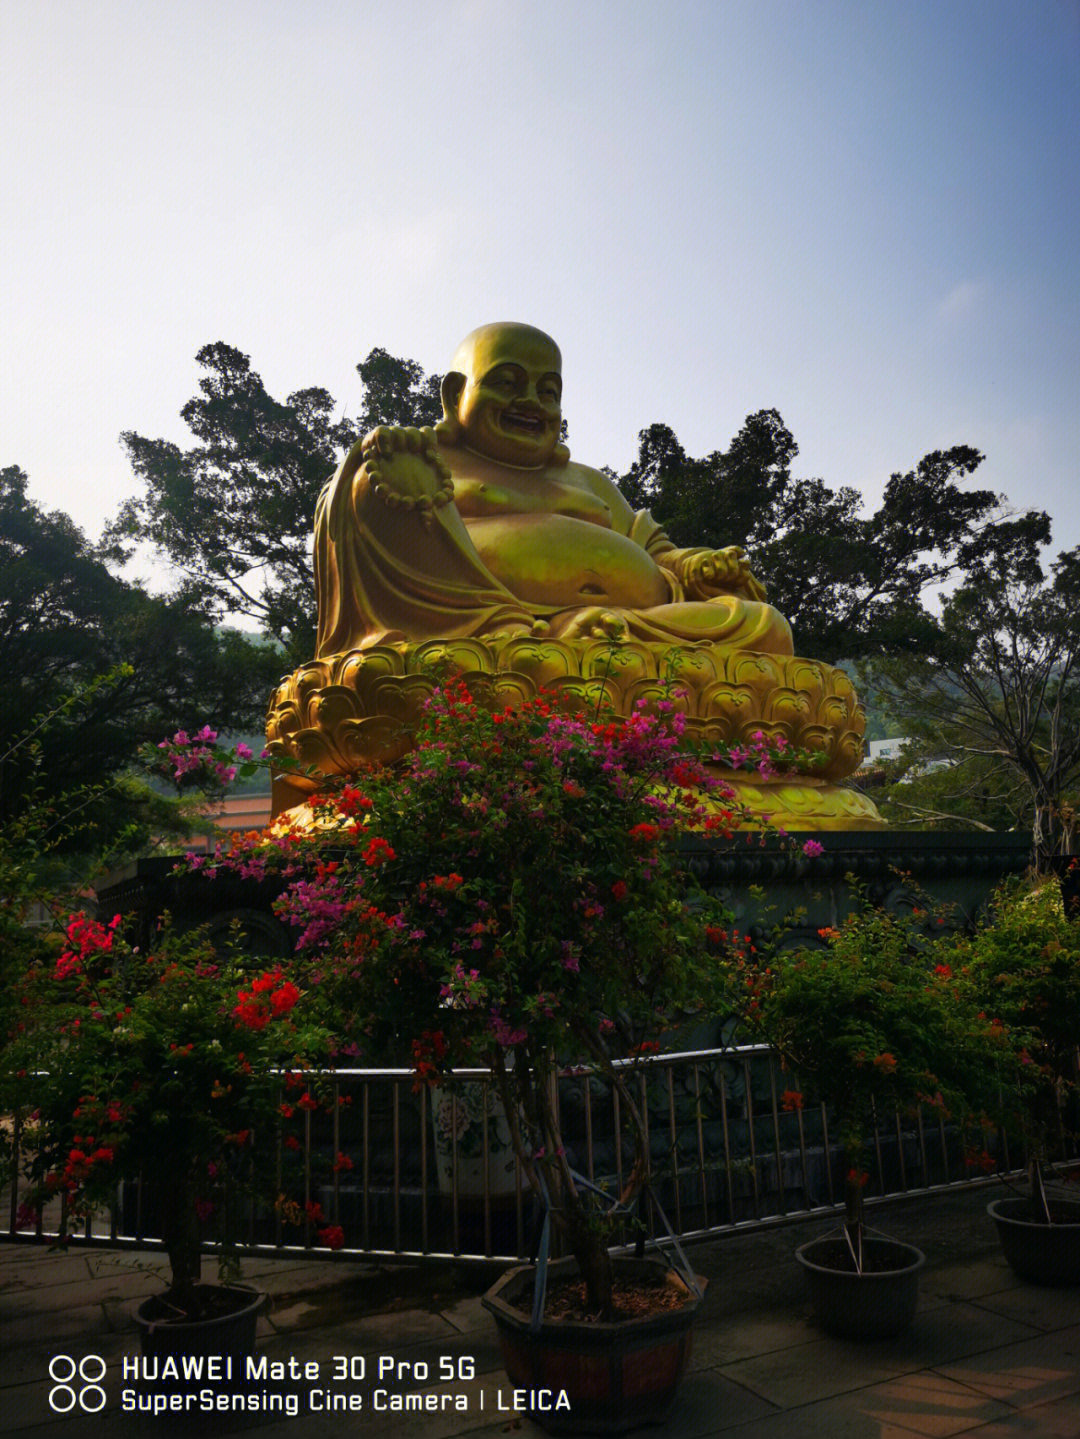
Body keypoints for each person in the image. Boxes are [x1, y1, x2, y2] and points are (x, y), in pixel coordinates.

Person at [314, 322, 793, 659]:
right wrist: (378, 470)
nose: (530, 403)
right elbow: (367, 537)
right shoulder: (424, 461)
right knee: (366, 490)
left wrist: (696, 565)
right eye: (507, 383)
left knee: (765, 626)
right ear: (454, 393)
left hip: (632, 631)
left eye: (548, 391)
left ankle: (600, 634)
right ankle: (537, 634)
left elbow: (659, 553)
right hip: (483, 643)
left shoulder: (587, 480)